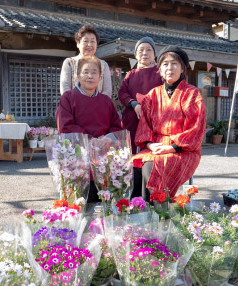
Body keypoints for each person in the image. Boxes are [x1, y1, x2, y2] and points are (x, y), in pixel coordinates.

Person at [133, 45, 206, 201]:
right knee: (133, 165)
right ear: (159, 69)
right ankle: (133, 209)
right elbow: (144, 124)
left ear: (182, 69)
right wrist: (150, 144)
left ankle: (155, 210)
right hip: (156, 146)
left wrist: (172, 147)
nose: (169, 68)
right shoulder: (153, 94)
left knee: (151, 167)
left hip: (183, 149)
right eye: (165, 64)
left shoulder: (192, 94)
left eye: (174, 64)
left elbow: (196, 127)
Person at [56, 56, 122, 203]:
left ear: (100, 77)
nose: (90, 76)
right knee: (79, 203)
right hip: (78, 156)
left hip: (103, 156)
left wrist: (108, 139)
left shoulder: (106, 101)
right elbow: (65, 126)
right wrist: (90, 140)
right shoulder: (68, 97)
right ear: (78, 75)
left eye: (94, 72)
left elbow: (116, 126)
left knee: (103, 202)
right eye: (86, 72)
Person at [118, 37, 162, 198]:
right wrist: (134, 104)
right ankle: (129, 197)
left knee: (147, 160)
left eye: (148, 50)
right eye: (140, 50)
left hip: (153, 125)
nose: (144, 53)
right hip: (131, 123)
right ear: (136, 55)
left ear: (155, 54)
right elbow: (122, 93)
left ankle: (147, 196)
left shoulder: (160, 73)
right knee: (129, 160)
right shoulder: (130, 74)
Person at [60, 24, 112, 98]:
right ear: (78, 44)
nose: (89, 44)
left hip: (97, 107)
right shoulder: (69, 62)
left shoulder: (103, 65)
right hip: (74, 105)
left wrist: (98, 103)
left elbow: (107, 90)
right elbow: (65, 88)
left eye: (92, 41)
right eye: (86, 41)